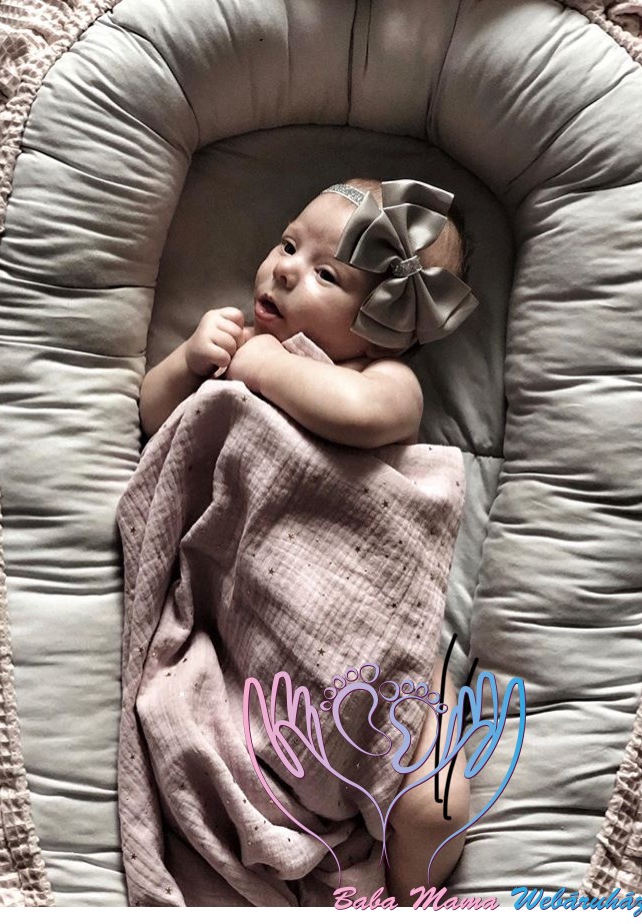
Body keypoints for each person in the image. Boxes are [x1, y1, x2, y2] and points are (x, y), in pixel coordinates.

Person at [138, 177, 478, 903]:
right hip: (257, 647)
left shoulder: (385, 379)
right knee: (183, 719)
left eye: (328, 274)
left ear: (388, 324)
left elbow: (358, 415)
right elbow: (161, 426)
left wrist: (267, 366)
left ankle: (408, 893)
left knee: (437, 802)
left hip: (386, 652)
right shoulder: (233, 350)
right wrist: (187, 363)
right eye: (288, 244)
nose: (287, 269)